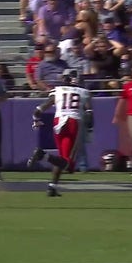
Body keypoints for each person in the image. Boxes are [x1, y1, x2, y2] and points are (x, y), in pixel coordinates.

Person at [27, 69, 92, 197]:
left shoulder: (58, 90)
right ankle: (42, 155)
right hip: (73, 122)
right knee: (69, 165)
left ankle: (52, 186)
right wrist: (90, 129)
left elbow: (39, 109)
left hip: (58, 122)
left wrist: (36, 119)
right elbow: (89, 115)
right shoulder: (84, 92)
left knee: (61, 159)